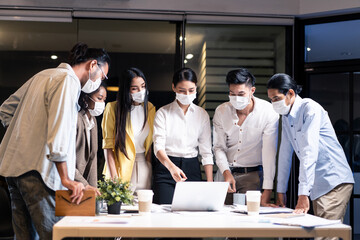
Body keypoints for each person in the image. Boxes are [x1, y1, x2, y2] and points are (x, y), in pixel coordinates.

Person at [0, 42, 110, 239]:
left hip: (14, 171)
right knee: (56, 236)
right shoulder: (68, 81)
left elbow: (6, 110)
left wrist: (25, 140)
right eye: (102, 76)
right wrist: (66, 179)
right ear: (93, 65)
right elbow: (58, 129)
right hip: (38, 175)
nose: (99, 81)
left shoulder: (44, 75)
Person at [267, 73, 354, 220]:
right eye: (271, 100)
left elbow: (309, 152)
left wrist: (302, 194)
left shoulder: (310, 109)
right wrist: (281, 190)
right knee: (321, 234)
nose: (273, 103)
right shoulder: (286, 117)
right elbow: (284, 154)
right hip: (317, 185)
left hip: (333, 181)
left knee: (326, 236)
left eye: (276, 98)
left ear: (290, 93)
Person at [213, 68, 279, 206]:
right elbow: (219, 147)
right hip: (225, 174)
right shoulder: (221, 111)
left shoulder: (268, 112)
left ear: (252, 91)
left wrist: (267, 191)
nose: (236, 98)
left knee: (247, 219)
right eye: (232, 93)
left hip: (252, 176)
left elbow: (269, 153)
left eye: (241, 93)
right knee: (221, 219)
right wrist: (226, 172)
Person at [153, 67, 214, 204]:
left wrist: (210, 183)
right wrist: (171, 167)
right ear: (173, 87)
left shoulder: (202, 114)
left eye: (191, 90)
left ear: (196, 88)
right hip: (166, 168)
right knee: (164, 212)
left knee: (191, 215)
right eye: (182, 90)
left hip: (192, 167)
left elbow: (206, 152)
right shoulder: (163, 113)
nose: (187, 94)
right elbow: (158, 147)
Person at [102, 68, 155, 191]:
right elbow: (108, 146)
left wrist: (148, 165)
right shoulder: (113, 108)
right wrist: (114, 178)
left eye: (143, 86)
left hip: (143, 166)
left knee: (143, 208)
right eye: (134, 88)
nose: (141, 91)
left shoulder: (150, 108)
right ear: (126, 90)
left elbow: (149, 144)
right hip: (120, 165)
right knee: (120, 208)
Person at [75, 83, 107, 195]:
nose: (102, 103)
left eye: (104, 99)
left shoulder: (92, 120)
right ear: (85, 98)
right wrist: (85, 185)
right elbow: (67, 161)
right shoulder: (76, 119)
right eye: (99, 98)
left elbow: (92, 161)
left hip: (83, 186)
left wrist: (93, 191)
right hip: (70, 182)